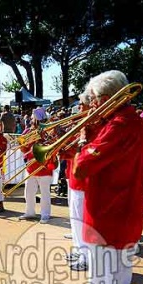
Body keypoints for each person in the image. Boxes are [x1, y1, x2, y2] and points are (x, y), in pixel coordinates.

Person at [73, 70, 143, 284]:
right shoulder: (140, 125)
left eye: (94, 99)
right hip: (129, 217)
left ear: (106, 98)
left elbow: (81, 168)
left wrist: (84, 141)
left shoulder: (117, 126)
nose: (91, 105)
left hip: (107, 219)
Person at [59, 93, 91, 271]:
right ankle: (80, 251)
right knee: (75, 217)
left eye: (81, 106)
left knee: (82, 219)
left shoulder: (90, 126)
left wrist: (71, 150)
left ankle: (86, 257)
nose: (79, 109)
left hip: (83, 180)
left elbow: (85, 151)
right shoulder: (81, 126)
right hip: (73, 178)